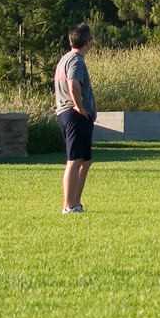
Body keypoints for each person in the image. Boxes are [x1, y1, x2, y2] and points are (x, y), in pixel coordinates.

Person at [54, 23, 96, 214]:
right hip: (74, 114)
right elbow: (73, 85)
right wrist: (81, 108)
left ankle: (76, 203)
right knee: (74, 160)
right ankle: (69, 205)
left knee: (84, 160)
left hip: (69, 114)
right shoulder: (76, 61)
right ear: (87, 42)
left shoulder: (64, 58)